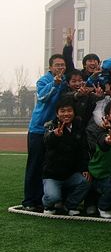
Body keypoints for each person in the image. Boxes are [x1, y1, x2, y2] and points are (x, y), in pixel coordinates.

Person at [22, 53, 68, 211]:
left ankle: (45, 199)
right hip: (38, 129)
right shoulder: (44, 80)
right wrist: (54, 84)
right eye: (57, 65)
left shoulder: (65, 81)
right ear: (50, 67)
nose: (60, 68)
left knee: (49, 165)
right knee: (35, 165)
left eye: (63, 65)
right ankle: (29, 201)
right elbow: (42, 97)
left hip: (55, 129)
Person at [42, 97, 91, 216]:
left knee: (86, 181)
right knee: (53, 197)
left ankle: (70, 206)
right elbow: (47, 140)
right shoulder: (51, 126)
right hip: (52, 175)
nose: (66, 114)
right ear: (57, 114)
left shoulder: (78, 127)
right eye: (62, 111)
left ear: (74, 112)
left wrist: (84, 169)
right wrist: (55, 136)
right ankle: (48, 205)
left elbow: (83, 150)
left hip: (70, 174)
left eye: (69, 110)